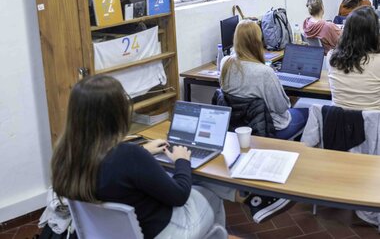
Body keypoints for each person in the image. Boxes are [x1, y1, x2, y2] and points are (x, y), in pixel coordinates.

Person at [51, 75, 285, 237]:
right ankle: (247, 196)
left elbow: (114, 170)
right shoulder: (128, 157)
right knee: (204, 190)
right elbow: (180, 195)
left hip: (108, 234)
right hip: (161, 232)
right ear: (116, 115)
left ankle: (242, 195)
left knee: (186, 177)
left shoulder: (66, 157)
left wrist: (144, 151)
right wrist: (182, 160)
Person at [220, 19, 309, 140]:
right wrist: (291, 99)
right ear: (258, 41)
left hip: (238, 126)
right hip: (270, 127)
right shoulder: (264, 72)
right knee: (310, 112)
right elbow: (281, 107)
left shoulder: (225, 63)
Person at [328, 6, 380, 110]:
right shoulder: (377, 61)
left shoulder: (331, 57)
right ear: (374, 33)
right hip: (372, 124)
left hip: (338, 123)